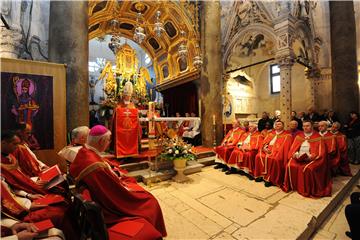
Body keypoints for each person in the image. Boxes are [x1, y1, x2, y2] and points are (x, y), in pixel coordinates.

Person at [69, 125, 166, 237]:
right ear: (101, 141)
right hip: (107, 207)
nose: (109, 143)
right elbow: (114, 193)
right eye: (108, 140)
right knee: (150, 202)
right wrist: (125, 186)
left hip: (98, 193)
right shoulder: (96, 166)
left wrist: (114, 173)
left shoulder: (85, 151)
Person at [283, 120, 331, 197]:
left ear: (312, 126)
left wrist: (311, 157)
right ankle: (294, 186)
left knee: (308, 169)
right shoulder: (299, 136)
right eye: (304, 126)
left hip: (313, 159)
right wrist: (295, 154)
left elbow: (321, 152)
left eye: (307, 126)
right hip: (299, 157)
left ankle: (305, 189)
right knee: (290, 165)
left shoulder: (318, 137)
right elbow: (293, 149)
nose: (305, 127)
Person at [254, 121, 292, 187]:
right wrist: (264, 148)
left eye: (279, 124)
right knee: (258, 156)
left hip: (278, 152)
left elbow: (284, 148)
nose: (277, 125)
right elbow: (264, 142)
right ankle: (261, 175)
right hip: (267, 150)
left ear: (283, 126)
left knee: (274, 159)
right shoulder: (271, 133)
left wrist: (274, 152)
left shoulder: (287, 135)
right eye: (276, 124)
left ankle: (270, 179)